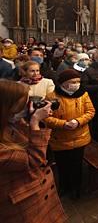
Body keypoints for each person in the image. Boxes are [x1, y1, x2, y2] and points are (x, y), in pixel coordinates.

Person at [0, 80, 67, 223]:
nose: (28, 106)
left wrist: (31, 120)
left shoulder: (11, 122)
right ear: (7, 107)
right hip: (21, 203)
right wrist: (35, 122)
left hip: (33, 192)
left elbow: (42, 151)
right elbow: (34, 160)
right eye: (24, 104)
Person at [44, 69, 95, 201]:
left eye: (78, 81)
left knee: (76, 165)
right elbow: (45, 118)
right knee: (62, 165)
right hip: (59, 138)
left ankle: (75, 188)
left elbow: (90, 111)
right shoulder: (51, 96)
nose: (76, 84)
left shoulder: (83, 94)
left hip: (79, 136)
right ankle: (63, 186)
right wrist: (62, 124)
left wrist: (78, 121)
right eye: (73, 82)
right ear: (63, 83)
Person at [81, 49, 98, 144]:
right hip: (96, 101)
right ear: (96, 59)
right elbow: (84, 86)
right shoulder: (89, 71)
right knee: (97, 125)